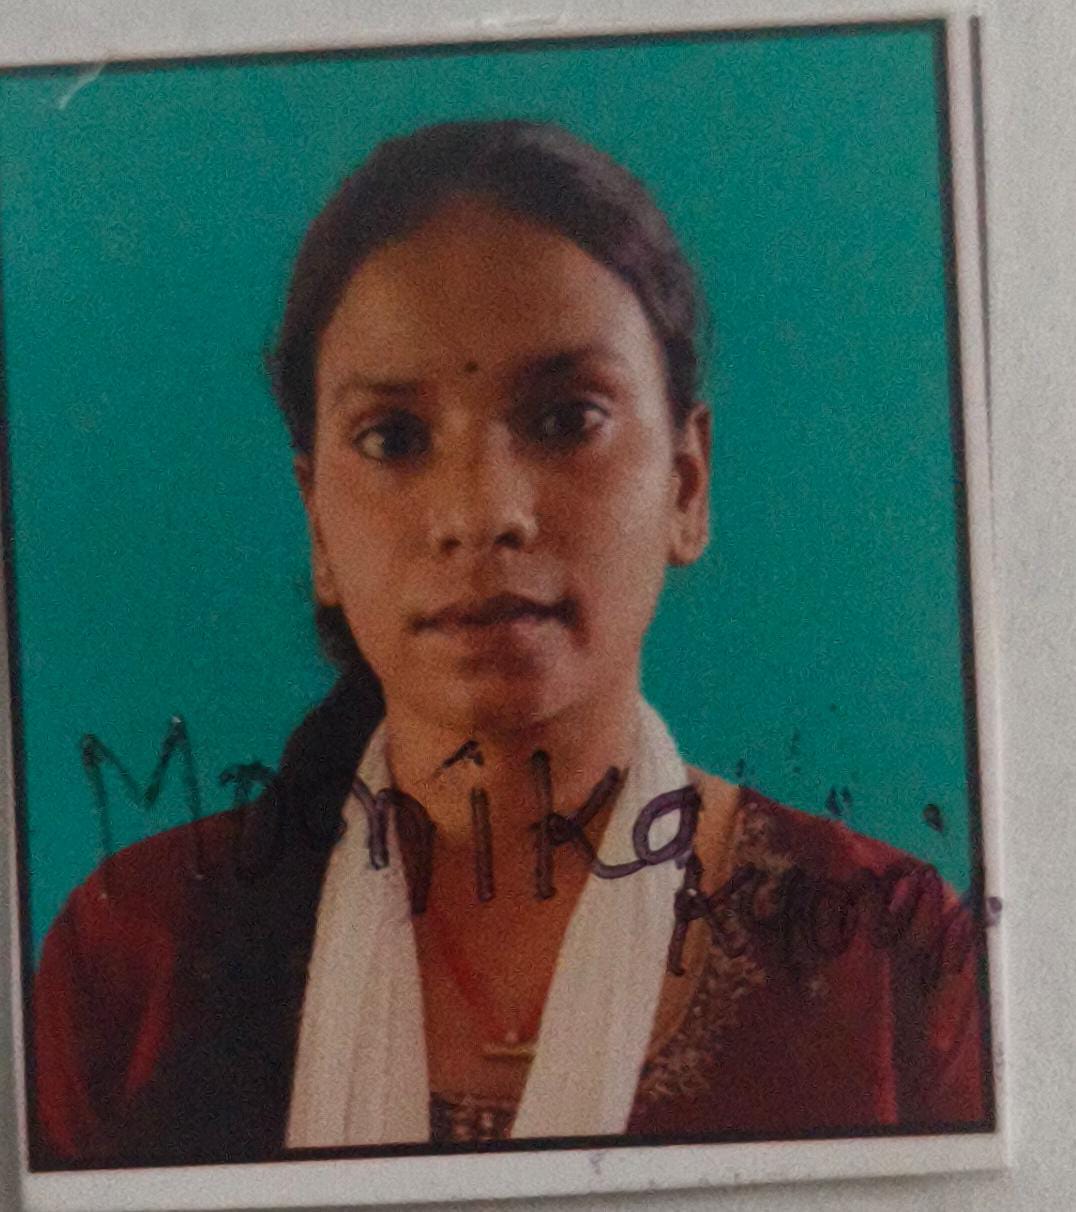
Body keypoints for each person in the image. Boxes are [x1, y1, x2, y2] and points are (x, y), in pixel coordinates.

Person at [30, 119, 989, 1167]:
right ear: (317, 526)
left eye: (566, 418)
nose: (482, 513)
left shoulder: (890, 962)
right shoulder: (132, 961)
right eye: (393, 438)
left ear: (685, 483)